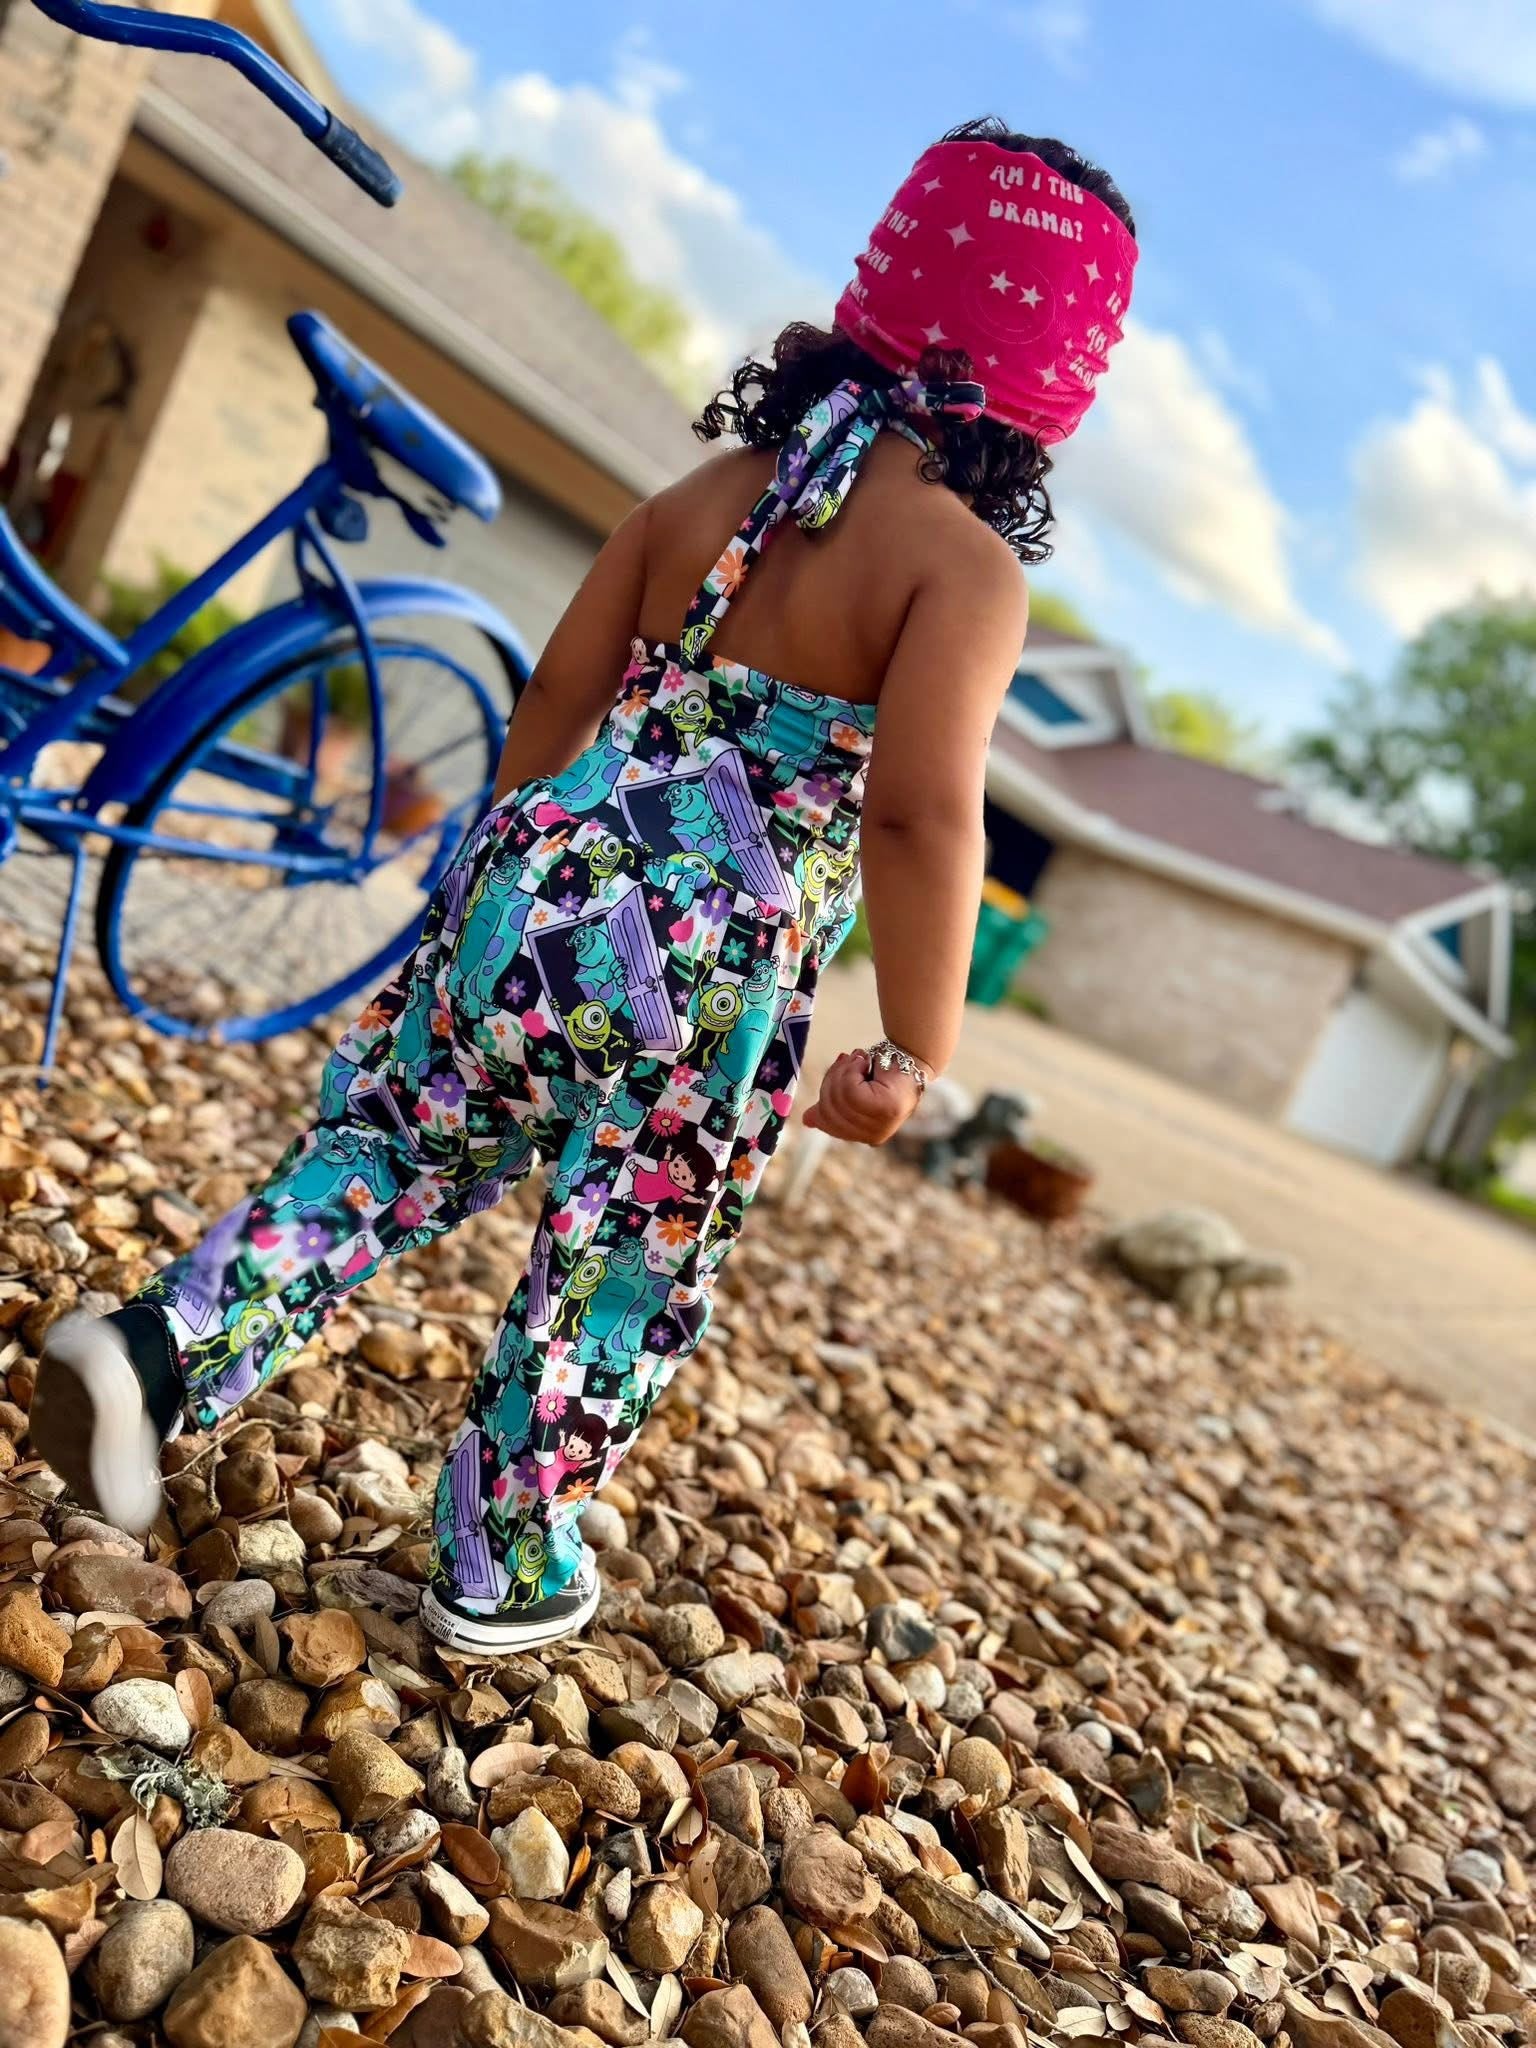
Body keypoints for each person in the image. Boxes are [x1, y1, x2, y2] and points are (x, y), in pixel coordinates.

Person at [31, 117, 1137, 1653]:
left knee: (391, 1145)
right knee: (621, 1255)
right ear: (1047, 400)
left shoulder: (712, 494)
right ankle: (502, 1553)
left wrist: (487, 883)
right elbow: (923, 814)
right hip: (703, 974)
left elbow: (558, 688)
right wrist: (913, 1047)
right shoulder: (959, 569)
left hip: (536, 873)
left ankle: (161, 1346)